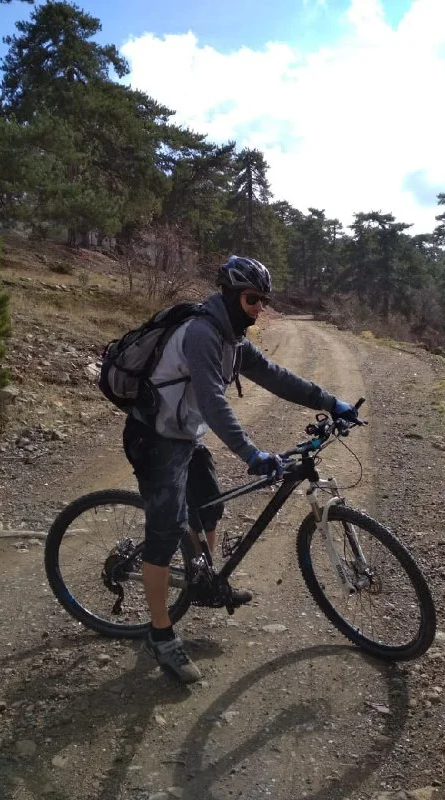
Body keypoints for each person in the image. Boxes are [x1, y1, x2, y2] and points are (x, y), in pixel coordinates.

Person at [123, 255, 359, 682]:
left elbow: (274, 375)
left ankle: (205, 582)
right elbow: (212, 401)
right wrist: (251, 453)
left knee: (211, 507)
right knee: (165, 534)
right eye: (252, 299)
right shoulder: (202, 334)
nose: (258, 308)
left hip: (184, 434)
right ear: (232, 295)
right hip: (155, 439)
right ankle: (160, 635)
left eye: (263, 301)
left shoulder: (232, 338)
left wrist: (330, 402)